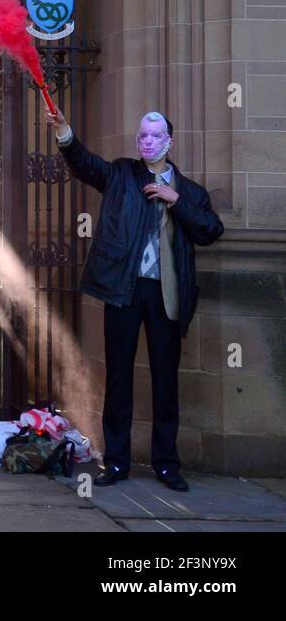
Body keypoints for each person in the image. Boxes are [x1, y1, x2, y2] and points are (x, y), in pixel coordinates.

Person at [49, 106, 224, 492]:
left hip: (167, 294)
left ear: (169, 142)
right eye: (142, 136)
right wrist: (65, 133)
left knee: (165, 381)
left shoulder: (190, 191)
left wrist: (174, 199)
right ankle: (115, 463)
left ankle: (166, 464)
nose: (147, 142)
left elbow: (211, 230)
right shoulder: (122, 174)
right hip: (124, 290)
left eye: (155, 136)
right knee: (119, 378)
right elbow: (85, 165)